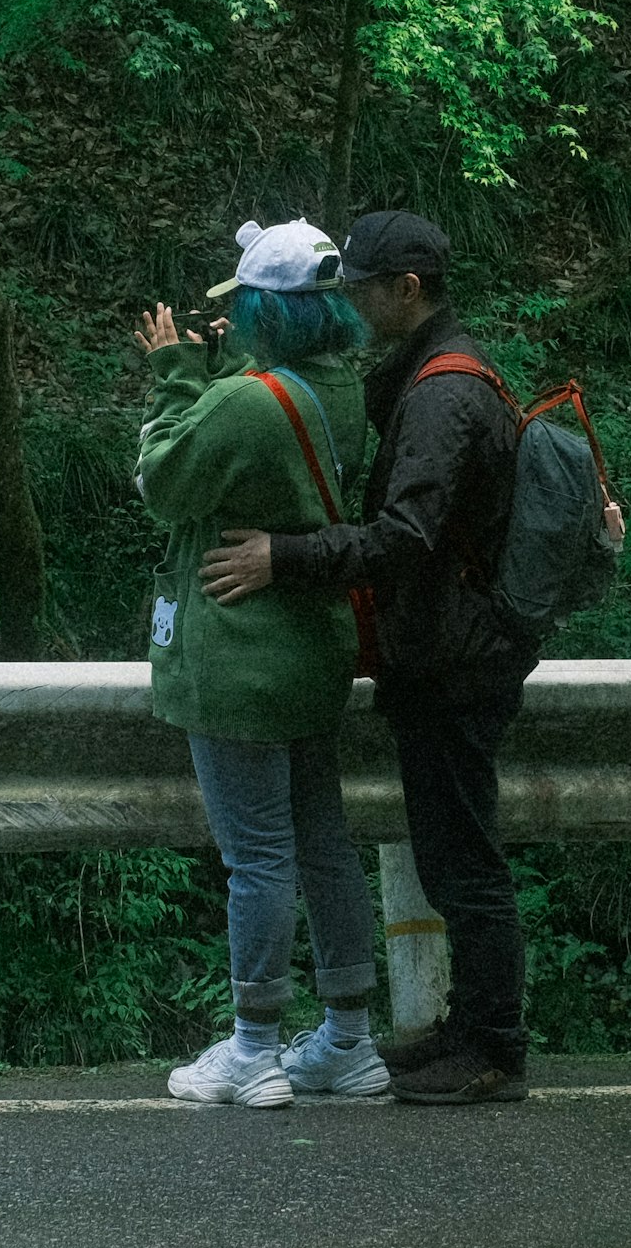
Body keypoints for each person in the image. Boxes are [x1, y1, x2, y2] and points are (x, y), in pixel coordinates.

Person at [199, 208, 538, 1105]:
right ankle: (466, 1029)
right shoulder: (426, 375)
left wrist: (287, 555)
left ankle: (493, 1044)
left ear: (407, 291)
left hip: (459, 659)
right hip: (448, 650)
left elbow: (405, 537)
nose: (349, 304)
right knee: (447, 849)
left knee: (465, 860)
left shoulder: (441, 395)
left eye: (361, 289)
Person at [132, 217, 390, 1109]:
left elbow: (164, 484)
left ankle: (253, 1048)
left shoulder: (242, 402)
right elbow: (254, 441)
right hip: (313, 650)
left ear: (262, 310)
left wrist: (174, 379)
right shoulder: (338, 388)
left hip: (239, 654)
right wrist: (216, 380)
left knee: (259, 859)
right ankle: (348, 1041)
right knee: (324, 846)